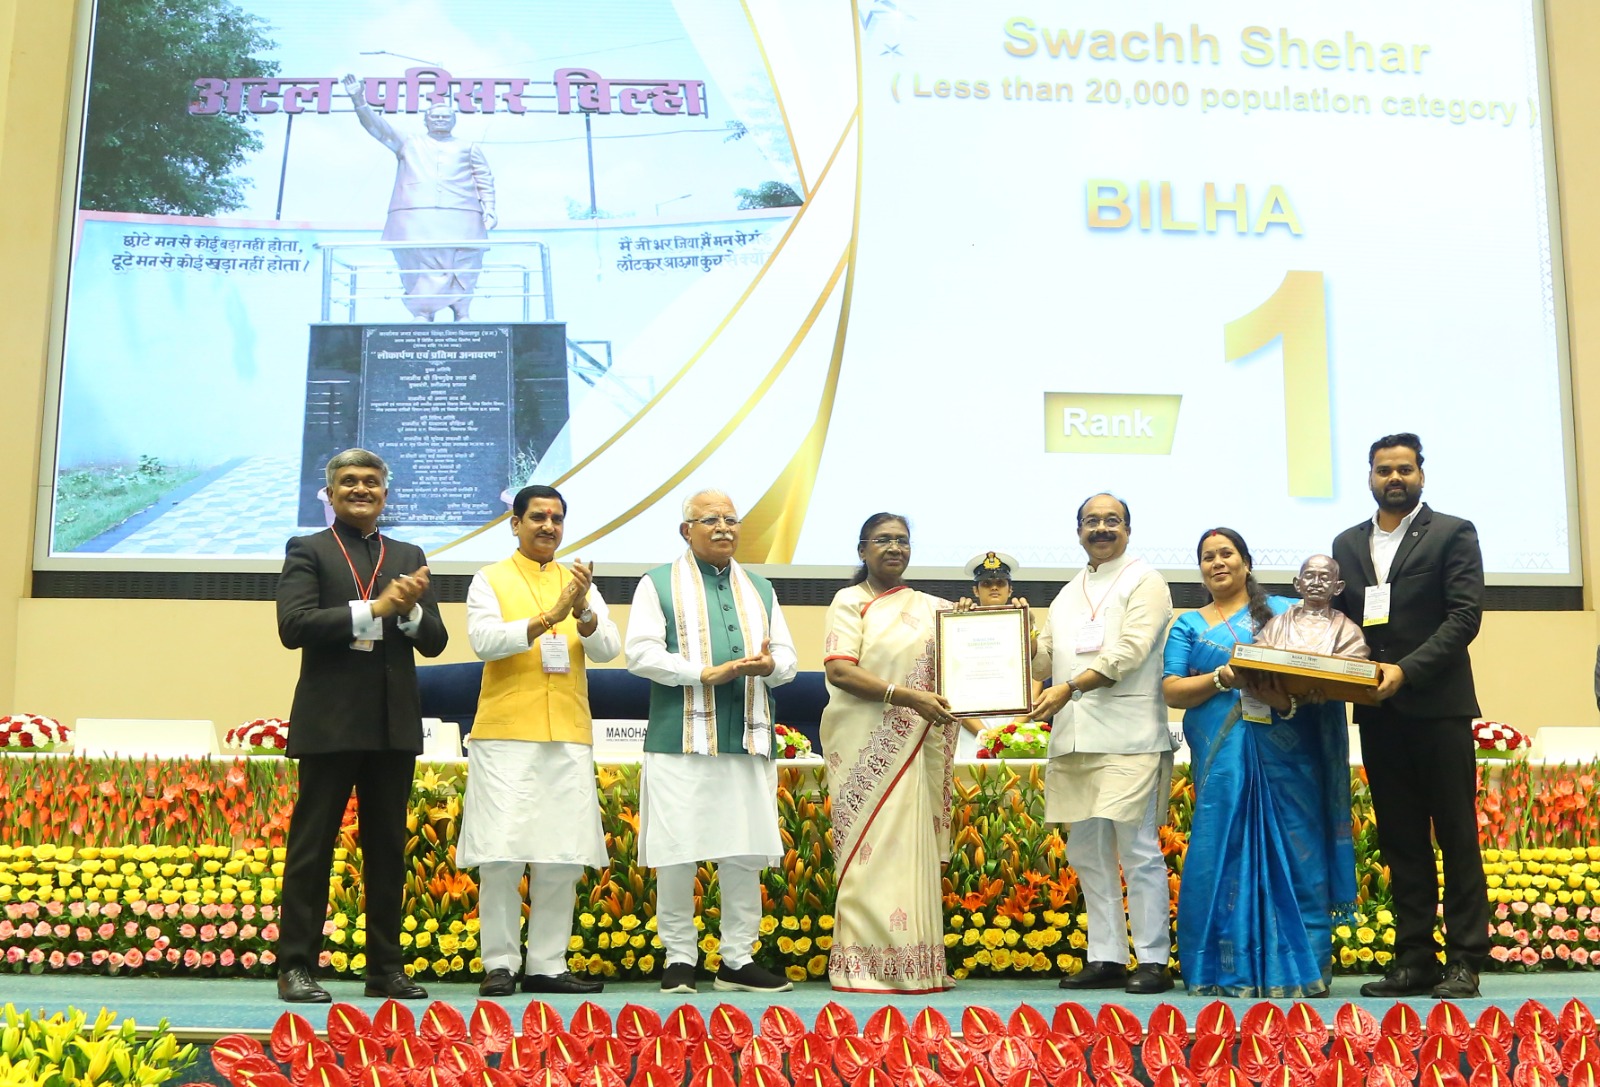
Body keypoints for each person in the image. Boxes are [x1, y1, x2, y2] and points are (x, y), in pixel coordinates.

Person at [274, 448, 448, 1003]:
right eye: (348, 481)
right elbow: (293, 626)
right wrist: (375, 608)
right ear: (330, 493)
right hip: (330, 721)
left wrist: (410, 610)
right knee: (312, 848)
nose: (360, 489)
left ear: (385, 494)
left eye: (371, 481)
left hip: (392, 723)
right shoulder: (308, 549)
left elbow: (436, 641)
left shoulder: (408, 554)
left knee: (387, 849)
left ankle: (385, 970)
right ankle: (296, 967)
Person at [1162, 534, 1360, 998]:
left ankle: (1301, 971)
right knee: (1221, 852)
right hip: (1223, 758)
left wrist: (1291, 698)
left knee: (1297, 852)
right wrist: (1222, 677)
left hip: (1288, 754)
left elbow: (1318, 670)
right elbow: (1171, 689)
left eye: (1226, 554)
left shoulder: (1289, 613)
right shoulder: (1188, 624)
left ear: (1247, 563)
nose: (1217, 562)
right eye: (1207, 557)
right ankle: (1224, 970)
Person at [1332, 432, 1489, 999]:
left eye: (1404, 469)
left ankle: (1465, 960)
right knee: (1400, 841)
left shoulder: (1452, 532)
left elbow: (1464, 618)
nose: (1394, 478)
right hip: (1378, 712)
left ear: (1421, 474)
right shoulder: (1347, 543)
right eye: (1384, 470)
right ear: (1369, 477)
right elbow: (1339, 625)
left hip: (1438, 708)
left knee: (1456, 835)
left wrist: (1406, 670)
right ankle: (1414, 959)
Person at [624, 490, 797, 994]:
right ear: (686, 530)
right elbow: (639, 654)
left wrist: (771, 665)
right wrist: (703, 673)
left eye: (730, 519)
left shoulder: (760, 588)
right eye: (710, 520)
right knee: (677, 850)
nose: (723, 527)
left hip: (746, 738)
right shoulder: (657, 583)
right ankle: (680, 957)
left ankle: (737, 959)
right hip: (678, 739)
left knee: (744, 851)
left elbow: (788, 657)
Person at [457, 484, 620, 997]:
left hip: (567, 734)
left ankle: (547, 964)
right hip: (506, 735)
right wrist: (550, 616)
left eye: (557, 518)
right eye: (537, 517)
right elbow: (485, 641)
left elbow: (609, 650)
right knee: (501, 855)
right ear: (515, 523)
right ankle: (500, 963)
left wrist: (584, 610)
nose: (548, 526)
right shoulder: (489, 578)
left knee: (561, 855)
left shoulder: (579, 582)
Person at [1029, 493, 1175, 995]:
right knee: (1087, 852)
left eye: (1112, 520)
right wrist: (1014, 637)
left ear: (1128, 530)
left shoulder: (1146, 581)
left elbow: (1130, 651)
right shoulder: (1067, 593)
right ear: (1078, 532)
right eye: (1091, 521)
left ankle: (1153, 959)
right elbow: (1043, 660)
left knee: (1138, 850)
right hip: (1074, 739)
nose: (1102, 528)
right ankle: (1107, 956)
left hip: (1129, 736)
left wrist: (1070, 687)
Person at [820, 514, 958, 993]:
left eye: (902, 540)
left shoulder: (934, 609)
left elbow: (975, 647)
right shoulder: (849, 601)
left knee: (907, 854)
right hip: (862, 747)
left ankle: (915, 965)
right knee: (869, 855)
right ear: (863, 550)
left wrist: (1003, 618)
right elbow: (840, 671)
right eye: (883, 540)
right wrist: (908, 697)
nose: (895, 548)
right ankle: (864, 965)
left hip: (916, 747)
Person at [344, 75, 497, 321]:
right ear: (425, 121)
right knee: (417, 264)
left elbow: (484, 178)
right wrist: (358, 100)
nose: (440, 120)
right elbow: (378, 128)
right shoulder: (409, 142)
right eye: (435, 117)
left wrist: (489, 207)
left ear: (454, 121)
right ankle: (422, 312)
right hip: (417, 215)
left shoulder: (468, 147)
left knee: (464, 263)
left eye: (445, 117)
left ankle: (462, 311)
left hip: (462, 215)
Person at [954, 551, 1041, 760]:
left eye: (1000, 583)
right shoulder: (958, 624)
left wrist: (1012, 729)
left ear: (1010, 589)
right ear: (975, 590)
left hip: (1017, 725)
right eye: (986, 583)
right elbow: (953, 685)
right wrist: (984, 734)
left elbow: (1036, 676)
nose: (994, 587)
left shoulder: (1024, 623)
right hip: (972, 725)